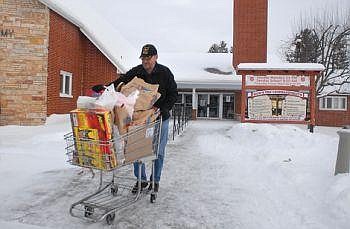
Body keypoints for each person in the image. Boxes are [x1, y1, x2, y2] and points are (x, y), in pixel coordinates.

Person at [93, 44, 178, 193]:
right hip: (139, 118)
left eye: (148, 58)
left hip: (159, 118)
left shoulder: (165, 73)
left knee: (158, 151)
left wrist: (163, 109)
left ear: (156, 57)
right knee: (135, 148)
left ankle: (155, 180)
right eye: (143, 58)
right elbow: (122, 80)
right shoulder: (137, 71)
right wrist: (105, 88)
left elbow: (173, 94)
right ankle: (141, 180)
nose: (146, 61)